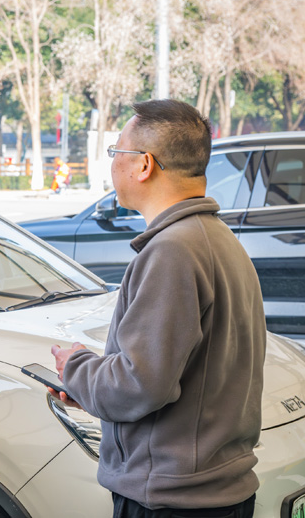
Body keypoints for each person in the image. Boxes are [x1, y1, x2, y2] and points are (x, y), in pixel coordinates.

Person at [49, 99, 265, 517]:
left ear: (144, 164)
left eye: (116, 152)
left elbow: (140, 384)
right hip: (215, 492)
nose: (113, 163)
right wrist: (91, 390)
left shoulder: (172, 251)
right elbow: (185, 374)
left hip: (173, 500)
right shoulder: (218, 240)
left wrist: (74, 368)